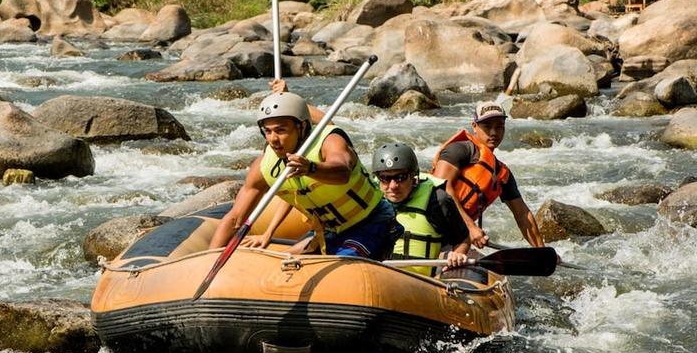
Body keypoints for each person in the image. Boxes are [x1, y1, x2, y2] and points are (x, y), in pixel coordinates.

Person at [210, 90, 402, 260]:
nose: (273, 139)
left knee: (342, 266)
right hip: (329, 232)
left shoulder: (330, 140)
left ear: (301, 127)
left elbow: (342, 170)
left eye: (281, 130)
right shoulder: (264, 166)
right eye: (267, 131)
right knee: (286, 265)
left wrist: (311, 168)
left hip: (371, 221)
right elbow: (235, 218)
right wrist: (209, 258)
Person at [431, 101, 546, 249]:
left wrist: (542, 251)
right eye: (487, 126)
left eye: (499, 127)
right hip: (430, 226)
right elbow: (440, 188)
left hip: (455, 237)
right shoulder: (459, 150)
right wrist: (471, 227)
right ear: (475, 127)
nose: (493, 132)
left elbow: (522, 214)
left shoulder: (501, 173)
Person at [371, 143, 470, 276]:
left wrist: (457, 255)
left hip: (420, 283)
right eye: (385, 179)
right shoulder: (370, 199)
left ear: (413, 177)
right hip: (377, 277)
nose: (393, 186)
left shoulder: (437, 200)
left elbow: (463, 238)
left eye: (401, 177)